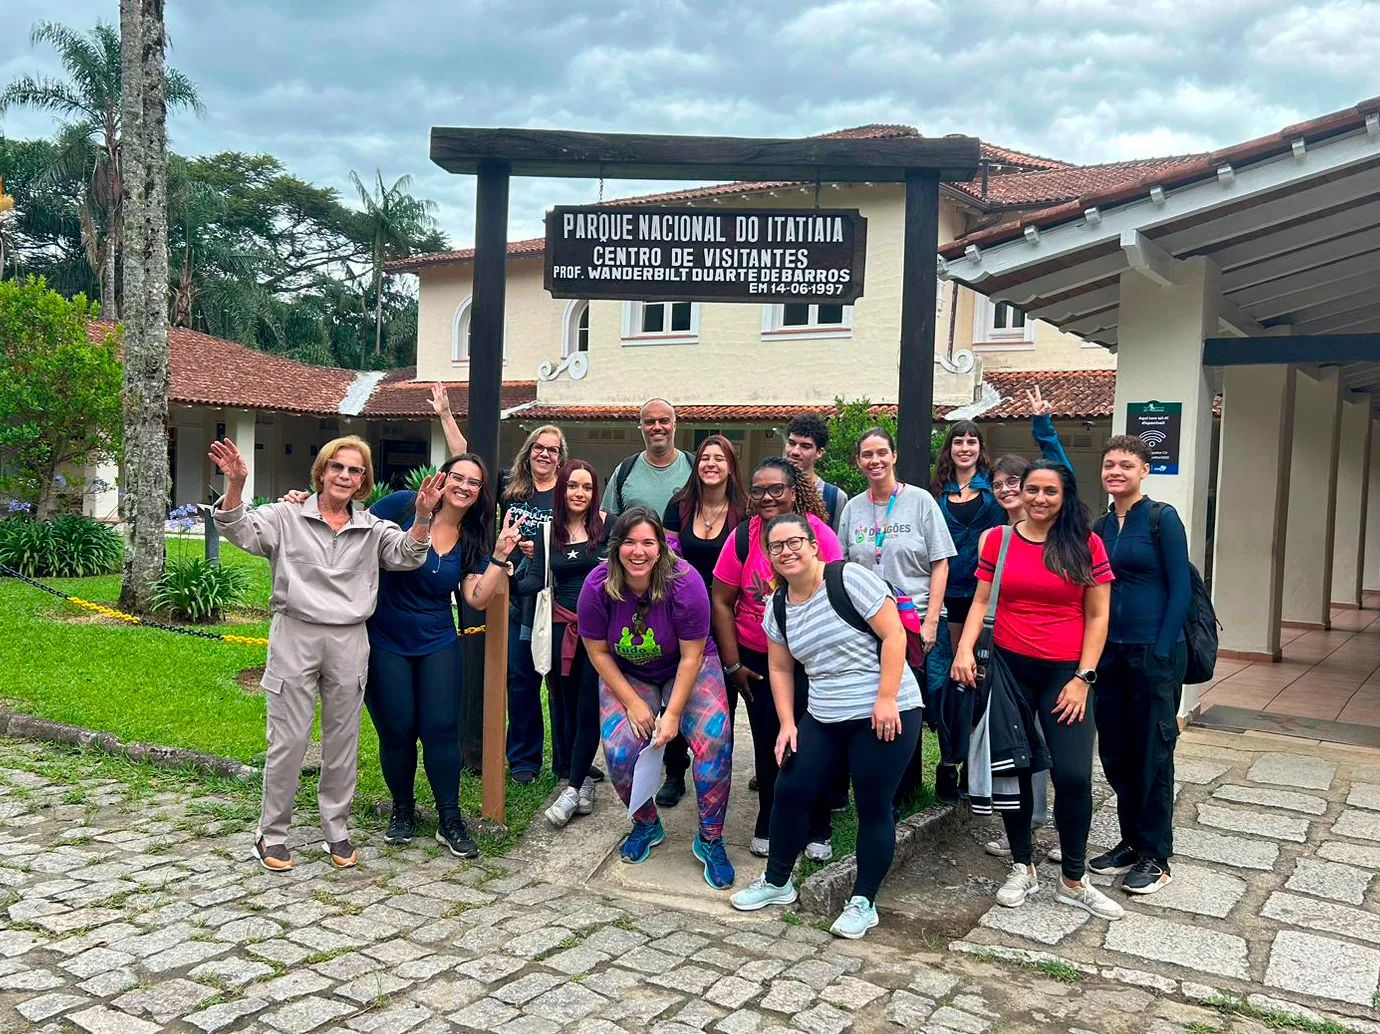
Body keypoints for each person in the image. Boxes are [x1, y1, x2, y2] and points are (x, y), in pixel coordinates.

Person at [209, 436, 440, 872]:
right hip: (296, 632)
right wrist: (237, 483)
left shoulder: (373, 527)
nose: (345, 476)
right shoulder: (285, 516)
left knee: (342, 742)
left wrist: (424, 515)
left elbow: (408, 555)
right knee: (289, 741)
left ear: (364, 482)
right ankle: (271, 834)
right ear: (321, 471)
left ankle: (336, 829)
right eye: (337, 467)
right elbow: (239, 529)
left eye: (355, 471)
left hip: (350, 639)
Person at [731, 515, 922, 938]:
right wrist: (786, 723)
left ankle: (863, 901)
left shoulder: (849, 579)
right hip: (824, 714)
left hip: (885, 710)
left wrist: (886, 698)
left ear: (814, 544)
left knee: (873, 805)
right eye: (777, 547)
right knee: (790, 789)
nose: (787, 551)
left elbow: (893, 637)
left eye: (795, 541)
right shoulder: (778, 606)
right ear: (769, 557)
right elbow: (779, 668)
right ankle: (777, 882)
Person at [951, 460, 1123, 921]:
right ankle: (1022, 864)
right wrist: (964, 650)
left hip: (1065, 674)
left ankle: (1073, 878)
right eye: (1032, 490)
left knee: (1072, 775)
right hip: (1008, 669)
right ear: (1020, 492)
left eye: (1050, 491)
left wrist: (1083, 678)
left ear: (1065, 496)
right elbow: (982, 600)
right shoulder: (999, 540)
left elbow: (1098, 616)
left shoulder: (1085, 545)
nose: (1039, 499)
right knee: (1015, 769)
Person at [366, 454, 520, 858]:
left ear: (479, 492)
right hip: (384, 638)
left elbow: (475, 597)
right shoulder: (401, 505)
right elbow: (348, 525)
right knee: (397, 729)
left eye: (474, 482)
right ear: (443, 478)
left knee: (440, 730)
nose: (464, 486)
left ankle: (449, 818)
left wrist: (500, 557)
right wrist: (302, 502)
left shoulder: (472, 536)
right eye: (458, 477)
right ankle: (402, 809)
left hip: (437, 640)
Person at [578, 507, 736, 889]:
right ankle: (646, 823)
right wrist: (634, 703)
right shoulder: (597, 586)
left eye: (648, 542)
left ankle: (711, 837)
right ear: (616, 547)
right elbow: (597, 653)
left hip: (690, 664)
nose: (638, 551)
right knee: (618, 750)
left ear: (661, 548)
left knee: (713, 741)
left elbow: (692, 656)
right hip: (630, 672)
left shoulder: (685, 581)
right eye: (629, 542)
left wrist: (673, 714)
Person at [713, 457, 842, 861]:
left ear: (793, 491)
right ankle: (768, 818)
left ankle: (818, 825)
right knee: (770, 739)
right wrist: (733, 665)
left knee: (815, 740)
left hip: (811, 656)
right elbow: (721, 599)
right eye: (758, 490)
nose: (767, 497)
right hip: (758, 656)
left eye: (776, 489)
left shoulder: (817, 533)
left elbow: (838, 592)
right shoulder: (743, 537)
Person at [1091, 435, 1191, 895]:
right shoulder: (1101, 526)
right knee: (1116, 752)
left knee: (1153, 754)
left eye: (1125, 464)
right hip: (1110, 653)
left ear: (1143, 470)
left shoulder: (1161, 519)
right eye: (1110, 464)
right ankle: (1130, 842)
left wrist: (1163, 649)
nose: (1116, 471)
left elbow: (1181, 590)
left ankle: (1156, 855)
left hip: (1153, 653)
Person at [838, 426, 957, 804]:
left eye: (880, 453)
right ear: (858, 461)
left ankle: (911, 788)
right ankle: (881, 785)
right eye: (866, 455)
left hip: (914, 622)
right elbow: (842, 564)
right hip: (867, 625)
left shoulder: (921, 502)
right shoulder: (853, 508)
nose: (874, 461)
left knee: (914, 705)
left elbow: (940, 564)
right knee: (874, 700)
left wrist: (932, 621)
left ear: (893, 457)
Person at [510, 460, 608, 827]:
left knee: (588, 706)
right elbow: (534, 580)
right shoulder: (547, 531)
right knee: (563, 703)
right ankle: (572, 773)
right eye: (571, 486)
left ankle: (578, 779)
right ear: (561, 490)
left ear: (594, 491)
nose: (578, 493)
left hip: (599, 634)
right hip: (560, 629)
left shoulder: (608, 526)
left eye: (585, 487)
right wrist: (503, 571)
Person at [933, 387, 1071, 644]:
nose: (965, 448)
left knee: (991, 653)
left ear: (980, 448)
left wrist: (1043, 427)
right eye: (958, 442)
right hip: (949, 589)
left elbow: (1061, 476)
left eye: (971, 441)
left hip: (990, 586)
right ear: (949, 449)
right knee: (957, 661)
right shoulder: (937, 491)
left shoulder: (996, 486)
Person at [657, 434, 749, 808]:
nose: (711, 464)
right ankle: (675, 771)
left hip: (729, 617)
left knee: (720, 702)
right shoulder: (679, 506)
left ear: (730, 466)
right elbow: (665, 562)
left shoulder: (744, 511)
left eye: (719, 458)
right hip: (681, 615)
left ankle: (711, 774)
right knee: (674, 693)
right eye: (705, 458)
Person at [979, 454, 1055, 862]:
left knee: (1049, 743)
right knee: (1020, 741)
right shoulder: (997, 536)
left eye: (1014, 482)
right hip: (1007, 653)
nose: (1007, 490)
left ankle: (1052, 825)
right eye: (999, 485)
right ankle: (1025, 829)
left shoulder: (1058, 536)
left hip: (1054, 658)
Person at [501, 424, 569, 785]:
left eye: (552, 449)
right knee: (521, 681)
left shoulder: (568, 492)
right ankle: (524, 758)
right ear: (528, 452)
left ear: (561, 457)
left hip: (558, 600)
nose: (545, 454)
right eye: (538, 448)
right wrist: (448, 415)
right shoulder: (512, 492)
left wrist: (544, 548)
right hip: (521, 600)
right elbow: (467, 455)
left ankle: (568, 757)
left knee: (561, 684)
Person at [603, 399, 693, 519]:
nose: (657, 427)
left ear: (674, 426)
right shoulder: (624, 471)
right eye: (650, 422)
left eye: (664, 421)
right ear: (641, 427)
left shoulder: (694, 469)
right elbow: (606, 524)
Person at [784, 414, 847, 532]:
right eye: (791, 443)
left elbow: (837, 546)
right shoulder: (770, 489)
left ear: (819, 452)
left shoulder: (833, 497)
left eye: (805, 446)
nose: (795, 451)